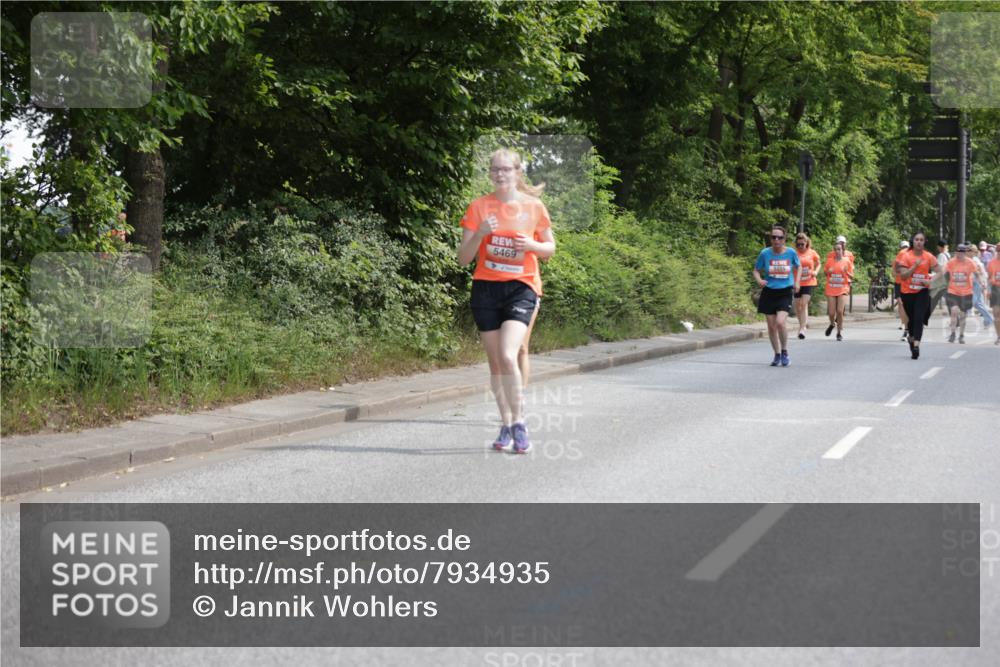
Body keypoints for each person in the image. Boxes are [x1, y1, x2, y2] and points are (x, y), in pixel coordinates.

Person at [457, 148, 556, 453]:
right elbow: (463, 259)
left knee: (509, 353)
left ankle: (519, 423)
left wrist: (531, 245)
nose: (500, 174)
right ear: (490, 174)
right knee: (496, 362)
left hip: (521, 286)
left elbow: (550, 247)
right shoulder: (479, 208)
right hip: (486, 288)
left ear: (517, 173)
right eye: (495, 170)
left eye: (506, 170)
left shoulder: (534, 207)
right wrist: (480, 234)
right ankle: (505, 423)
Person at [753, 225, 801, 366]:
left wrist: (797, 282)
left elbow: (799, 266)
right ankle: (777, 354)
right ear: (771, 239)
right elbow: (756, 270)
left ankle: (785, 351)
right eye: (773, 237)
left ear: (784, 239)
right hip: (769, 292)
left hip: (785, 291)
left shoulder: (791, 253)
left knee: (780, 322)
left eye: (779, 237)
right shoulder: (765, 253)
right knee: (771, 326)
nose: (776, 240)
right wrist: (760, 280)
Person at [894, 232, 939, 360]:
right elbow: (903, 276)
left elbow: (941, 272)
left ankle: (916, 346)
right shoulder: (906, 256)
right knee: (912, 320)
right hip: (907, 292)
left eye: (921, 240)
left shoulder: (929, 256)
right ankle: (912, 338)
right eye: (916, 239)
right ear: (913, 242)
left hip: (922, 291)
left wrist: (931, 281)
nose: (919, 242)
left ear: (924, 242)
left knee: (919, 318)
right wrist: (914, 266)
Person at [943, 244, 976, 344]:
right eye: (958, 252)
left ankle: (961, 335)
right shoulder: (951, 262)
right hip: (953, 291)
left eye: (962, 252)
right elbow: (943, 271)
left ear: (965, 253)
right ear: (956, 252)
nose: (959, 254)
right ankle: (953, 333)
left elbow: (977, 273)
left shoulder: (970, 263)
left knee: (962, 315)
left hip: (966, 292)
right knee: (953, 311)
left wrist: (982, 282)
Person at [823, 241, 853, 341]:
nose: (837, 251)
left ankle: (839, 332)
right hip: (831, 288)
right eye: (835, 249)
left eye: (839, 249)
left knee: (840, 311)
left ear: (842, 250)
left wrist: (847, 272)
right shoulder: (829, 261)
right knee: (831, 313)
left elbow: (852, 276)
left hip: (842, 288)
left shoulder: (847, 261)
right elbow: (825, 273)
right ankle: (832, 324)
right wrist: (828, 271)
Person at [793, 232, 820, 339]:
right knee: (797, 306)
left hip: (809, 281)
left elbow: (819, 263)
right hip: (797, 282)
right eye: (798, 244)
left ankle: (802, 328)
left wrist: (816, 272)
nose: (800, 246)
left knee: (803, 304)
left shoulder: (812, 253)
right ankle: (802, 325)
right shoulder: (794, 253)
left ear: (806, 243)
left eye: (802, 244)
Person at [968, 244, 995, 329]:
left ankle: (989, 319)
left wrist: (982, 283)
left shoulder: (974, 260)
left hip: (977, 283)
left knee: (974, 303)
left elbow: (979, 273)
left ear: (973, 252)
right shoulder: (972, 259)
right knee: (979, 304)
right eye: (967, 250)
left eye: (969, 250)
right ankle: (988, 320)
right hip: (975, 283)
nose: (967, 252)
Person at [929, 238, 951, 314]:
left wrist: (931, 276)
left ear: (939, 247)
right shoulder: (948, 255)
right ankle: (957, 322)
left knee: (931, 302)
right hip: (946, 282)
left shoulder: (942, 255)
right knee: (949, 302)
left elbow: (940, 270)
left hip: (940, 284)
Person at [894, 240, 910, 340]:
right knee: (901, 304)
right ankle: (903, 322)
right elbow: (895, 270)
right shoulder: (899, 256)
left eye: (906, 247)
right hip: (899, 282)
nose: (904, 249)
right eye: (903, 247)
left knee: (904, 304)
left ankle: (906, 324)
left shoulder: (909, 257)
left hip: (906, 283)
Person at [988, 242, 1000, 345]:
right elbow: (989, 277)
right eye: (998, 250)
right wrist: (988, 290)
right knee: (996, 314)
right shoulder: (992, 263)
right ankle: (999, 336)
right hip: (995, 289)